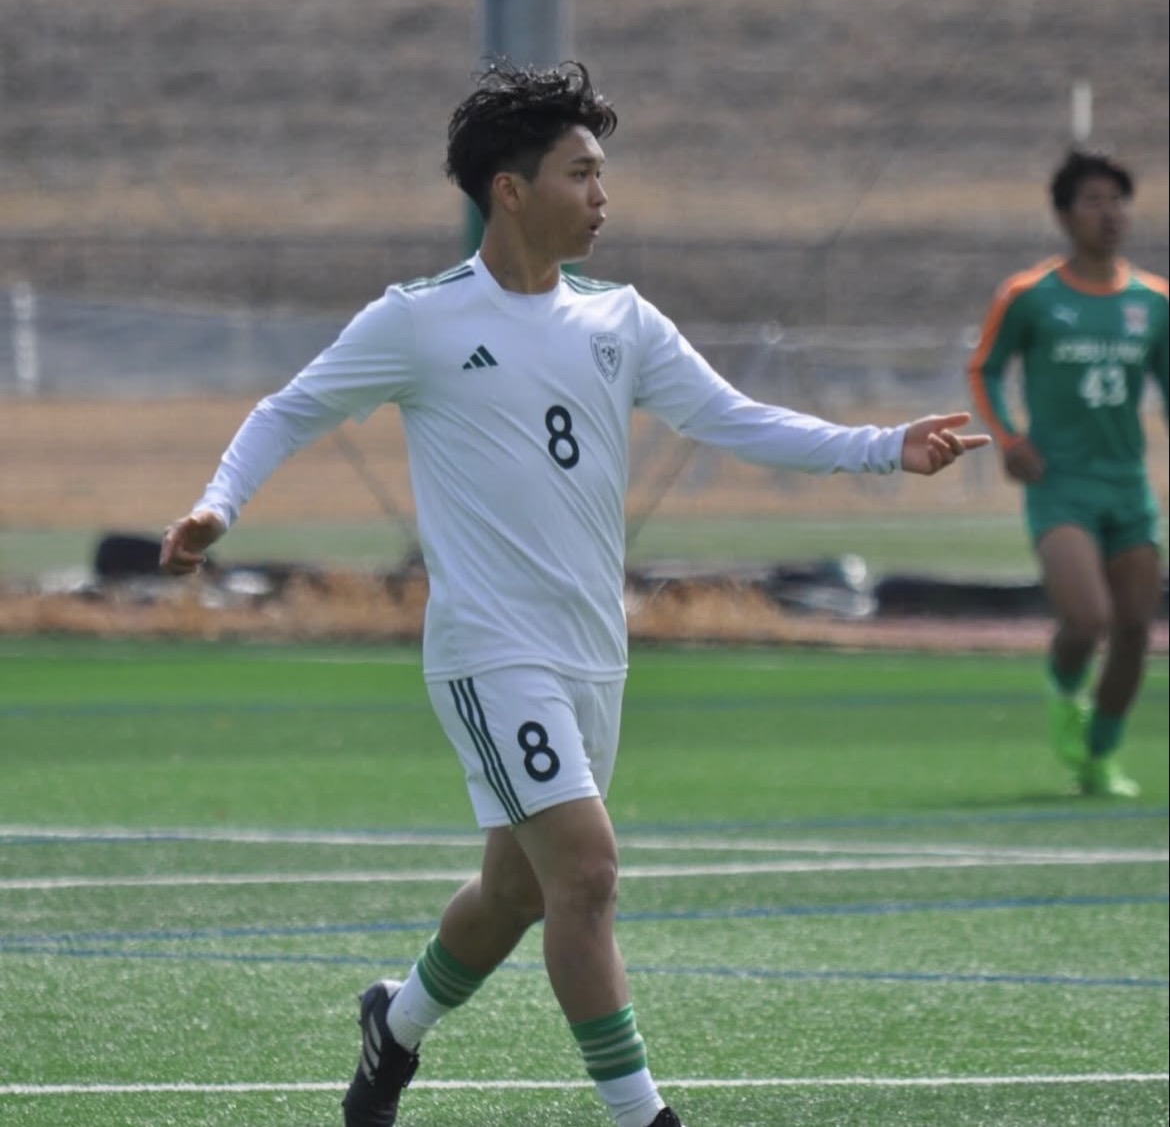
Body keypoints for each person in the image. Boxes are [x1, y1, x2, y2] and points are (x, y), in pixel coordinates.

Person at [161, 59, 990, 1127]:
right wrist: (219, 504)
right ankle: (645, 1117)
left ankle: (393, 1026)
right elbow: (286, 409)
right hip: (489, 651)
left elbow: (734, 417)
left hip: (595, 651)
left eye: (602, 173)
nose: (604, 195)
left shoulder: (621, 321)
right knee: (588, 874)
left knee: (516, 891)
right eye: (581, 173)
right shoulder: (419, 320)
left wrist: (884, 447)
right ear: (511, 191)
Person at [968, 147, 1169, 799]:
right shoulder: (1030, 296)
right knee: (1088, 619)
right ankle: (1064, 688)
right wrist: (1008, 437)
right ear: (1064, 215)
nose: (1109, 213)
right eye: (1093, 200)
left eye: (1118, 200)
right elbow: (985, 368)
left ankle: (1100, 757)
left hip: (1128, 486)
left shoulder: (1154, 301)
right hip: (1059, 485)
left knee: (1136, 629)